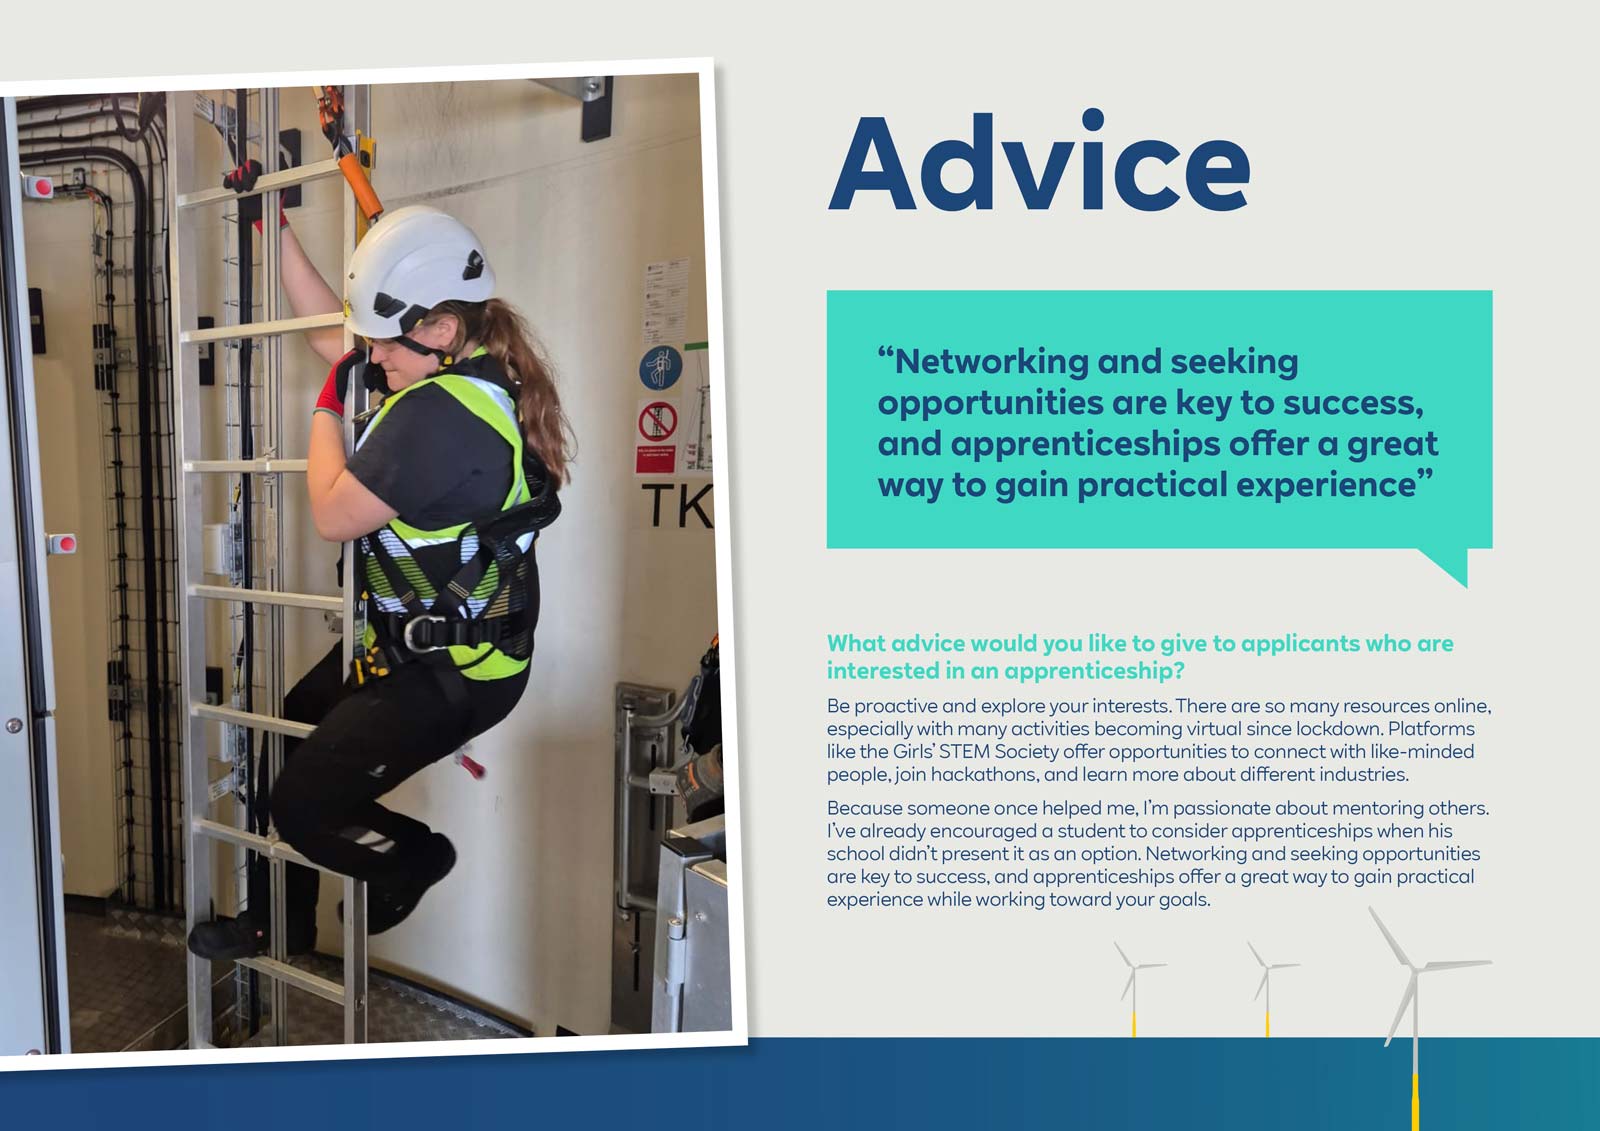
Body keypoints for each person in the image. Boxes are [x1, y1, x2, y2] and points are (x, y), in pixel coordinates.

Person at [188, 192, 571, 960]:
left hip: (458, 668)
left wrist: (325, 409)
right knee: (293, 724)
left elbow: (334, 512)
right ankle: (279, 923)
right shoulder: (462, 365)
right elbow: (331, 331)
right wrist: (270, 220)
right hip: (407, 640)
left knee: (301, 803)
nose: (372, 357)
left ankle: (416, 858)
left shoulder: (441, 414)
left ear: (440, 329)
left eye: (384, 345)